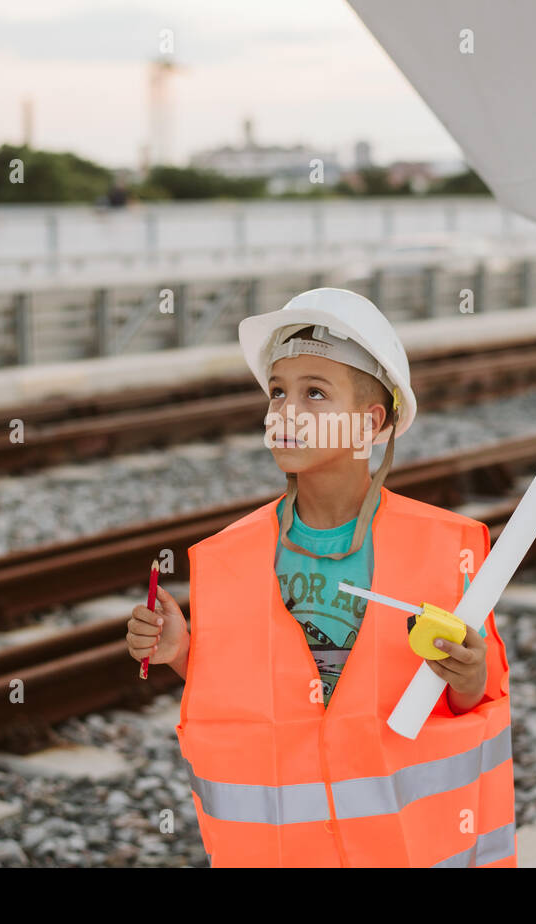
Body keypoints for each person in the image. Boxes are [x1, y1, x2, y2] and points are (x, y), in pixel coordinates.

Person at [127, 287, 516, 867]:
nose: (285, 412)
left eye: (314, 394)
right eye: (278, 392)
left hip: (403, 851)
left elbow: (477, 701)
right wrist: (184, 656)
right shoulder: (228, 557)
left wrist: (469, 673)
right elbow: (243, 700)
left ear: (370, 422)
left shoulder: (446, 547)